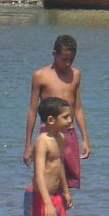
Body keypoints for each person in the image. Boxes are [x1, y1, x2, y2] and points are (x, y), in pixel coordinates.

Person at [23, 35, 90, 190]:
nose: (68, 64)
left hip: (69, 133)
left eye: (71, 60)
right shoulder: (40, 76)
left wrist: (85, 139)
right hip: (48, 134)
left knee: (68, 182)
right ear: (54, 54)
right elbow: (32, 110)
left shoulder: (76, 75)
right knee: (48, 176)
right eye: (64, 59)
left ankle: (62, 205)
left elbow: (77, 108)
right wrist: (28, 144)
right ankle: (40, 203)